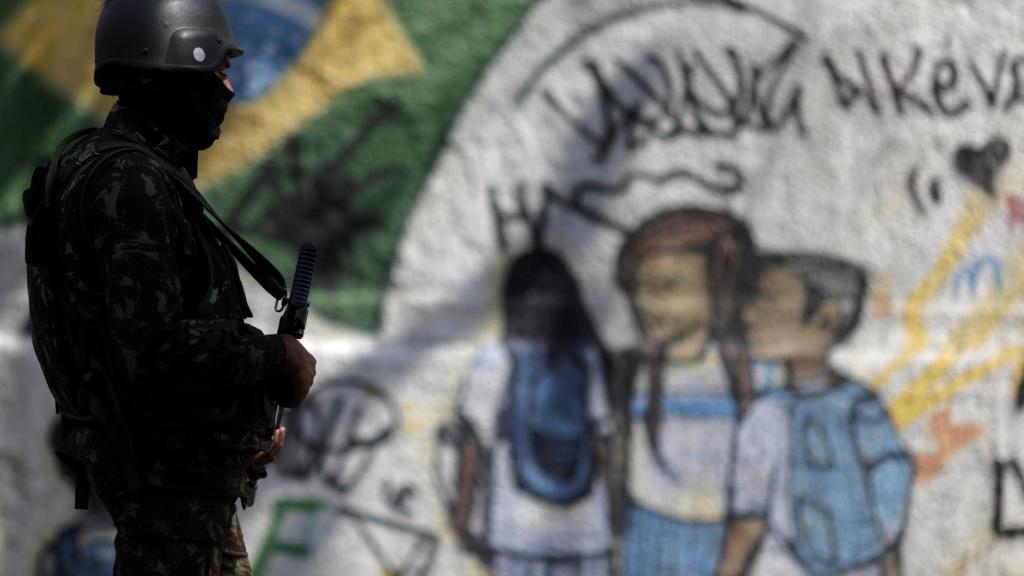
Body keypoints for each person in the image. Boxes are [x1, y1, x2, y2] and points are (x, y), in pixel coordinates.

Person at [23, 0, 317, 573]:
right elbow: (153, 350)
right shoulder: (130, 181)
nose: (229, 88)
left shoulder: (111, 168)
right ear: (177, 68)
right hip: (168, 506)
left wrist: (236, 426)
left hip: (185, 494)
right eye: (218, 70)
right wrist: (275, 357)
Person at [718, 254, 913, 576]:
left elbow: (747, 525)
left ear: (826, 317)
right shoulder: (864, 405)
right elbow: (889, 523)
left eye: (769, 301)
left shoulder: (768, 415)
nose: (749, 314)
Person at [452, 250, 615, 576]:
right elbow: (603, 441)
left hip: (517, 531)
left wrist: (463, 516)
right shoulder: (587, 357)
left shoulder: (495, 359)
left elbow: (473, 445)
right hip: (585, 531)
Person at [612, 208, 756, 576]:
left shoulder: (752, 375)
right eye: (638, 288)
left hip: (722, 545)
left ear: (718, 286)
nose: (645, 303)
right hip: (645, 538)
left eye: (667, 287)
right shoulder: (629, 372)